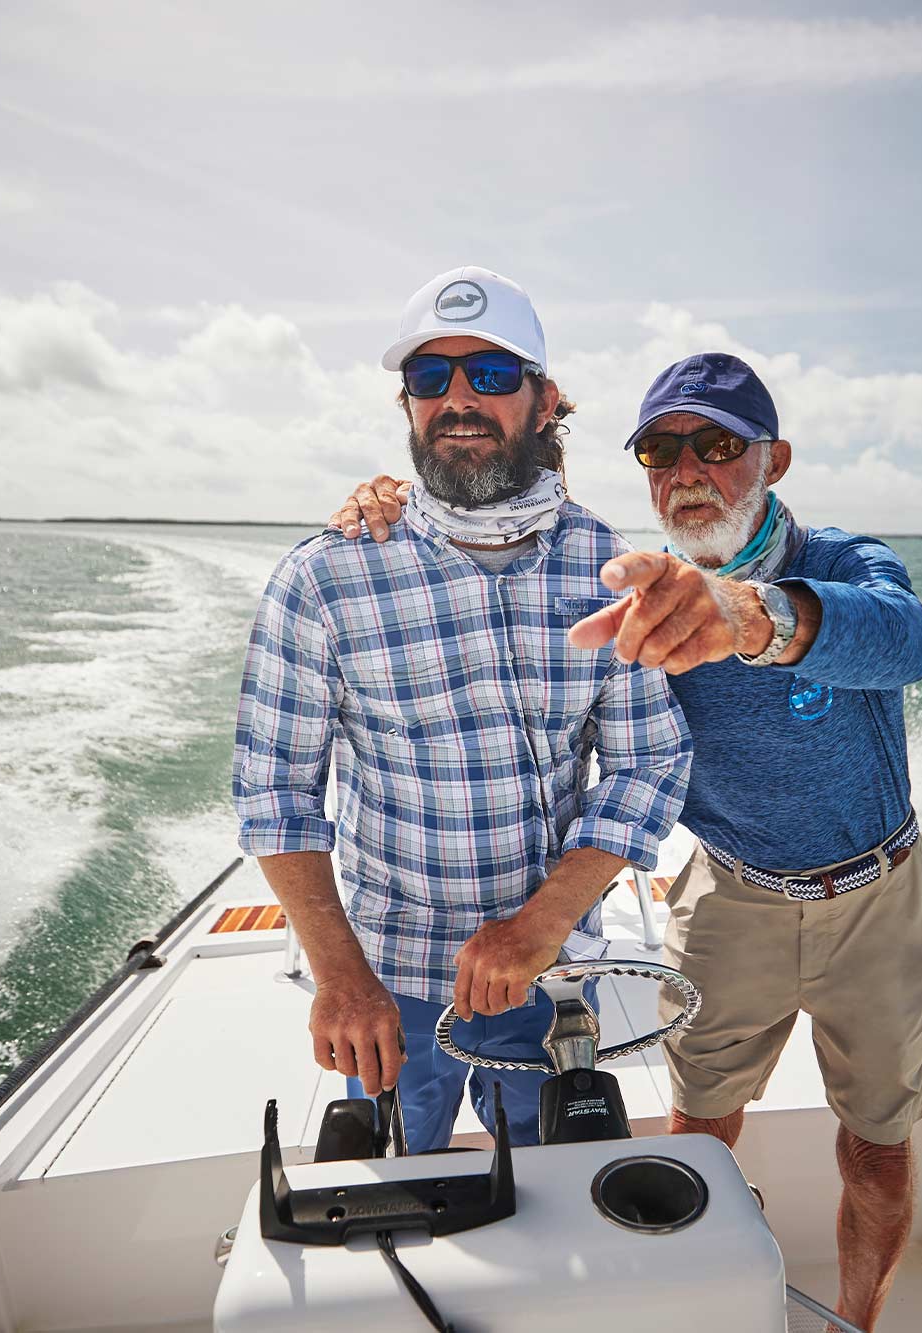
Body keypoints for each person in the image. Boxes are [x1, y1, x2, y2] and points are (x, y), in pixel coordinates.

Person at [328, 351, 922, 1329]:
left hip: (880, 900)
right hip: (727, 897)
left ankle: (857, 1320)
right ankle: (689, 1305)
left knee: (876, 1147)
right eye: (662, 451)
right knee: (696, 1131)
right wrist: (394, 503)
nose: (687, 470)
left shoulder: (839, 564)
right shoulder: (632, 592)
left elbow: (913, 638)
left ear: (772, 458)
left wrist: (752, 614)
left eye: (717, 446)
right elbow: (509, 534)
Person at [233, 265, 691, 1154]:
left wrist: (538, 927)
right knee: (398, 1187)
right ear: (406, 403)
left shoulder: (608, 567)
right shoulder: (326, 577)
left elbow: (648, 764)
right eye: (430, 378)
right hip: (384, 981)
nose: (458, 399)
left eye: (489, 375)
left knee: (552, 1189)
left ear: (544, 398)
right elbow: (274, 792)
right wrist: (340, 975)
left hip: (548, 971)